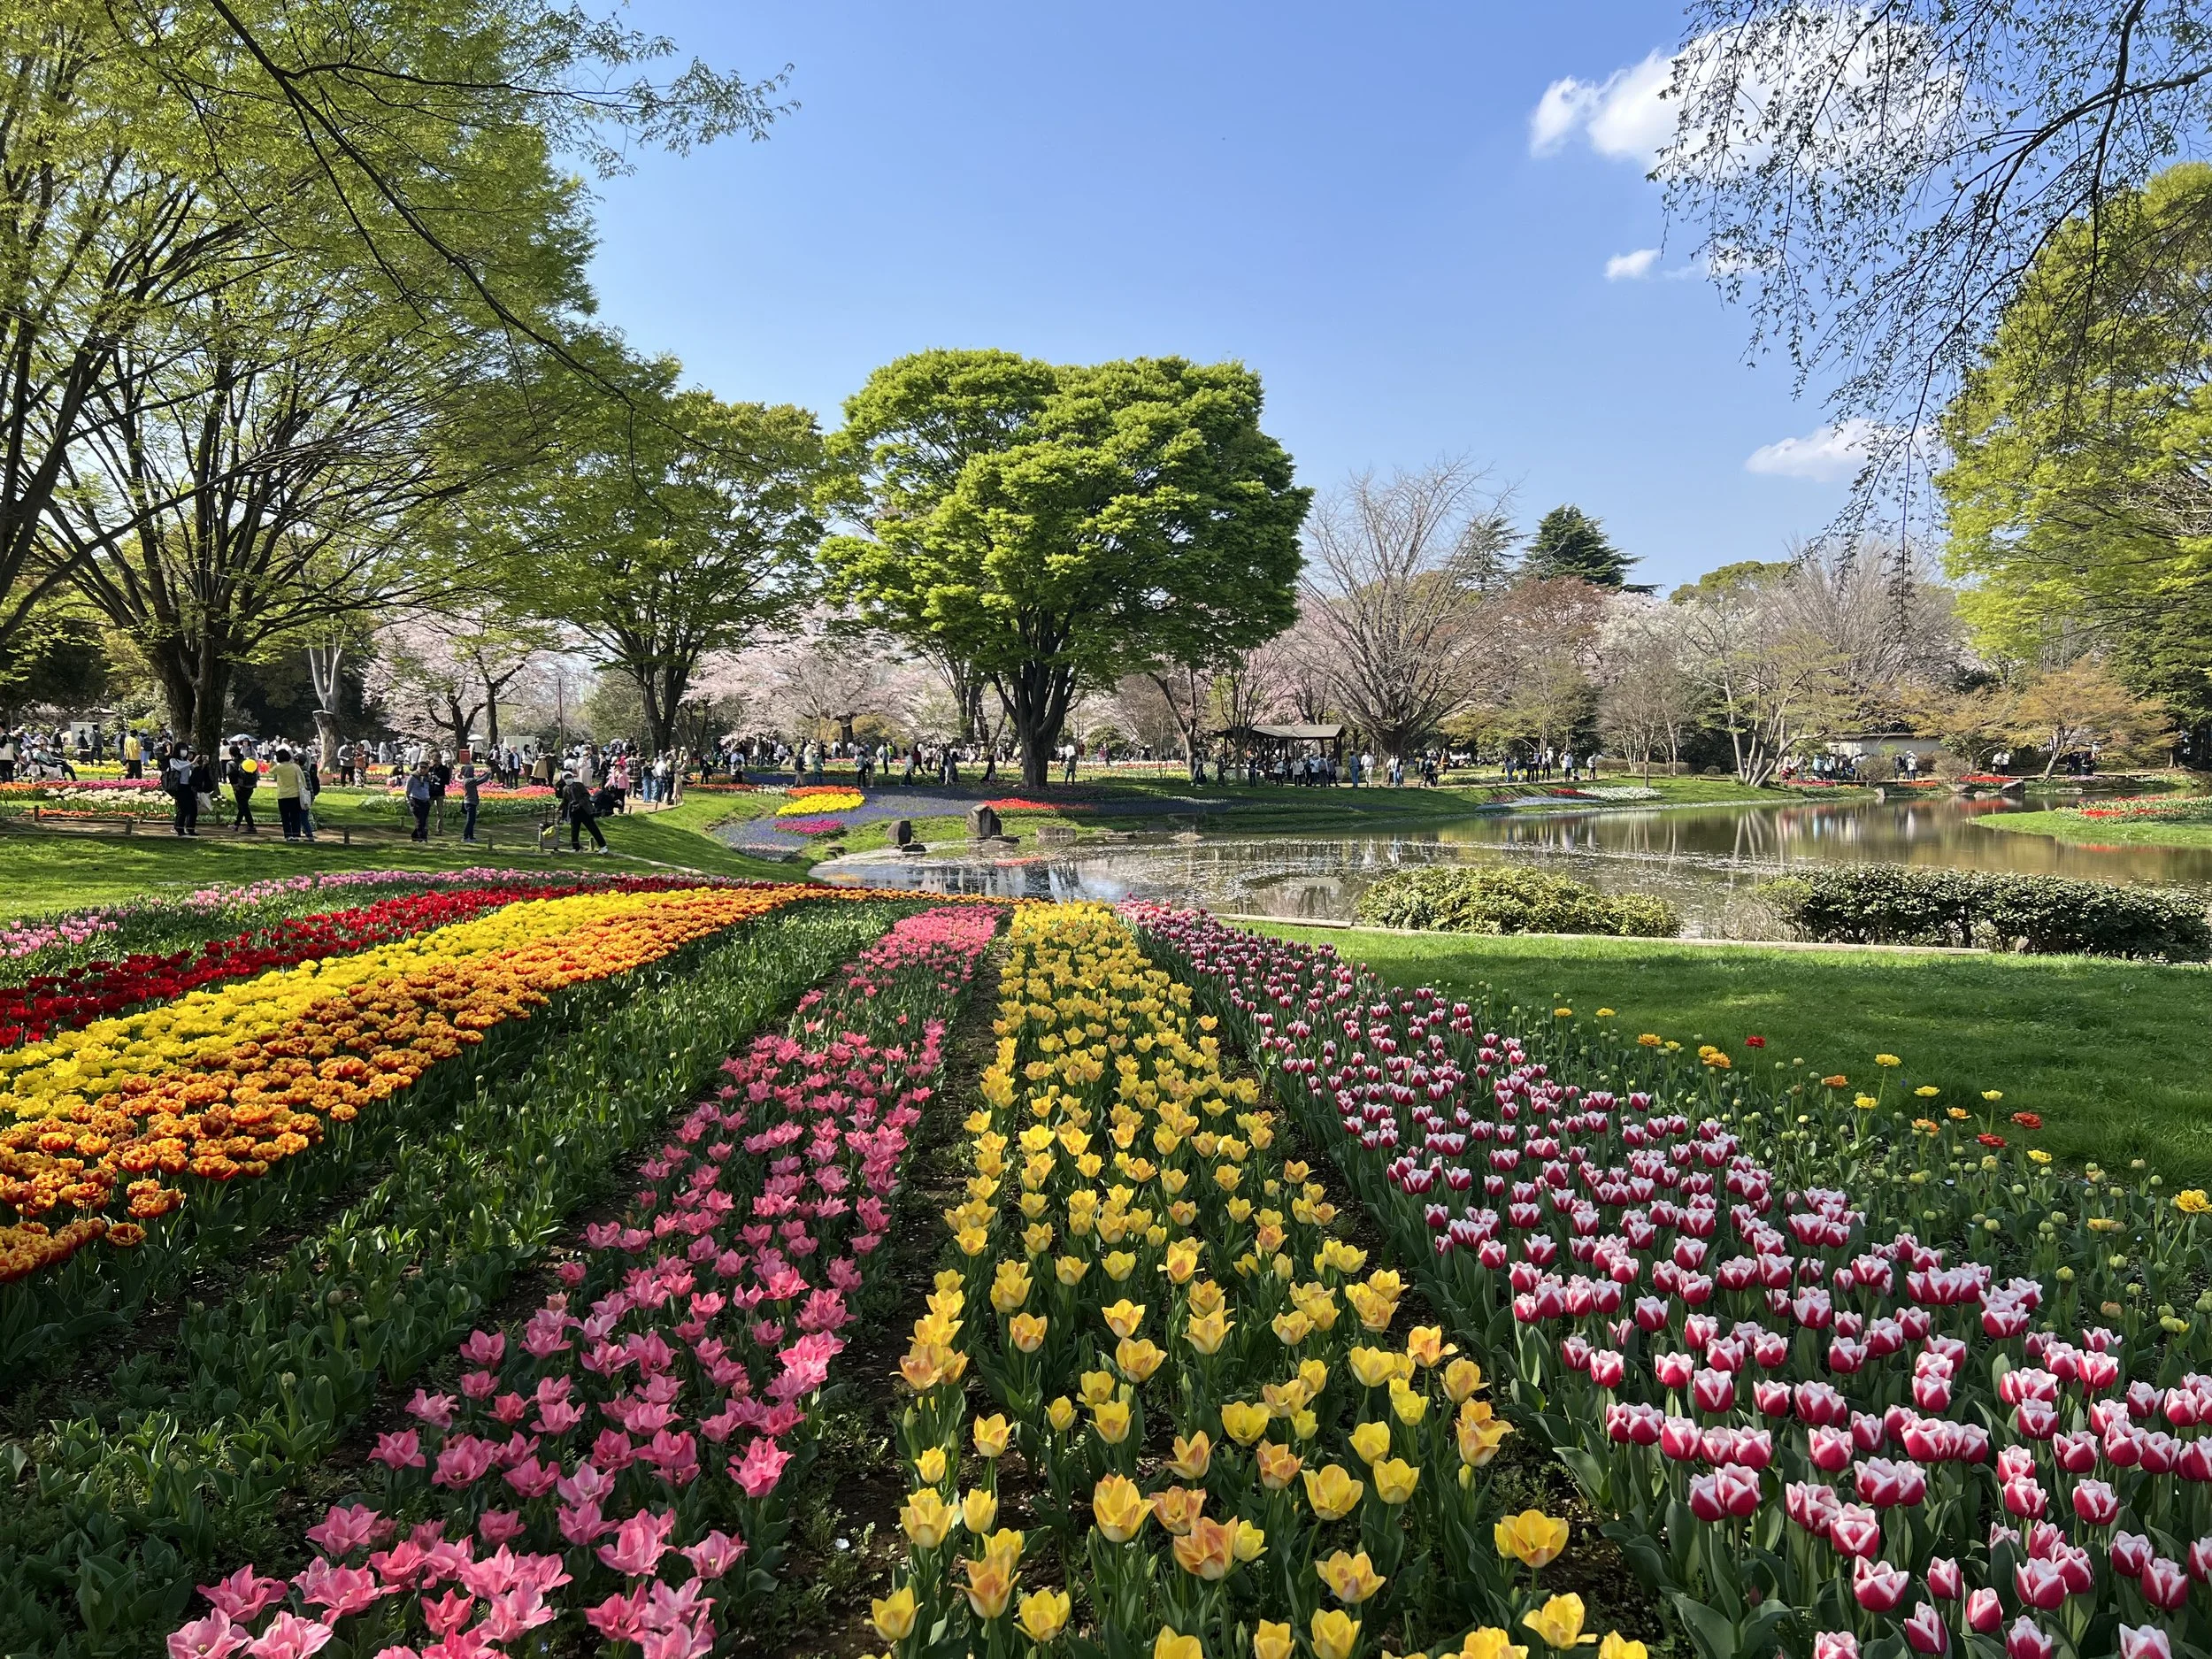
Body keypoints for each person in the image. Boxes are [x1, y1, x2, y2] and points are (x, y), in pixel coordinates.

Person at [267, 747, 307, 840]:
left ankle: (288, 835)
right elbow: (303, 780)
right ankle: (296, 834)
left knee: (285, 816)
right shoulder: (295, 767)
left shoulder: (279, 767)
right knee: (295, 816)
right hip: (295, 794)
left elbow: (270, 771)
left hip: (283, 795)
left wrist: (272, 763)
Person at [560, 771, 606, 852]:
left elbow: (586, 796)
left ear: (572, 778)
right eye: (566, 778)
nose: (568, 779)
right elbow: (565, 801)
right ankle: (575, 847)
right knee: (574, 830)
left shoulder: (579, 785)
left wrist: (580, 803)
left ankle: (603, 846)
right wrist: (560, 808)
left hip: (584, 810)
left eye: (569, 777)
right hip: (574, 811)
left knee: (592, 828)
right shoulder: (565, 789)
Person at [225, 744, 259, 833]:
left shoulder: (231, 763)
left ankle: (251, 826)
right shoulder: (246, 761)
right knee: (242, 806)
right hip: (250, 786)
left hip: (240, 787)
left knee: (244, 806)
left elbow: (231, 774)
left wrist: (235, 786)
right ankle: (236, 825)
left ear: (230, 753)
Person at [165, 744, 198, 835]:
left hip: (187, 786)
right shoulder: (173, 760)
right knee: (183, 809)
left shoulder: (186, 761)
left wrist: (199, 764)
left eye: (186, 749)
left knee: (193, 808)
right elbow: (178, 768)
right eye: (182, 749)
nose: (185, 751)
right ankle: (179, 828)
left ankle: (190, 828)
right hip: (179, 787)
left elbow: (193, 769)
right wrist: (192, 762)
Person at [403, 761, 434, 841]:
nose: (423, 770)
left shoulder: (428, 777)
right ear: (418, 768)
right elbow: (407, 790)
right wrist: (408, 800)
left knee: (423, 820)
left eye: (425, 768)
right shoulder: (413, 777)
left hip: (425, 801)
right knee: (419, 820)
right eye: (421, 768)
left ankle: (415, 836)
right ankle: (422, 838)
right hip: (415, 800)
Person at [459, 760, 482, 843]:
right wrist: (489, 773)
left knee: (472, 820)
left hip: (472, 802)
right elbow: (481, 780)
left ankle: (471, 837)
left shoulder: (468, 780)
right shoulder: (468, 781)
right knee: (470, 820)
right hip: (469, 802)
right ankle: (465, 837)